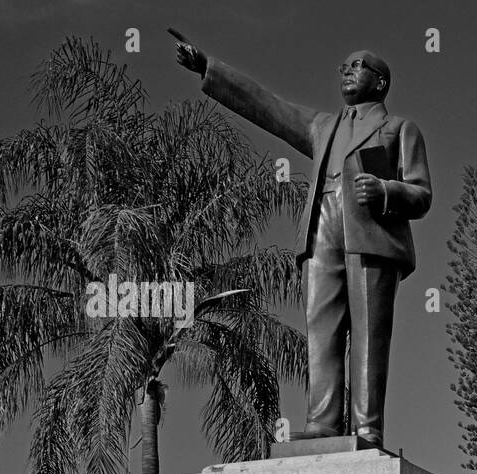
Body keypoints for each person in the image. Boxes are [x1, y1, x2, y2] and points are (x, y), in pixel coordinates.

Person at [171, 31, 433, 449]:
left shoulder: (400, 129)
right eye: (343, 66)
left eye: (357, 65)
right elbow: (268, 106)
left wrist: (386, 192)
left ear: (381, 81)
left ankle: (367, 428)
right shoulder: (321, 127)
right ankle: (323, 422)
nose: (346, 71)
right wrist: (209, 67)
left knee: (368, 335)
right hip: (321, 229)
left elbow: (421, 194)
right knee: (322, 329)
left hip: (373, 234)